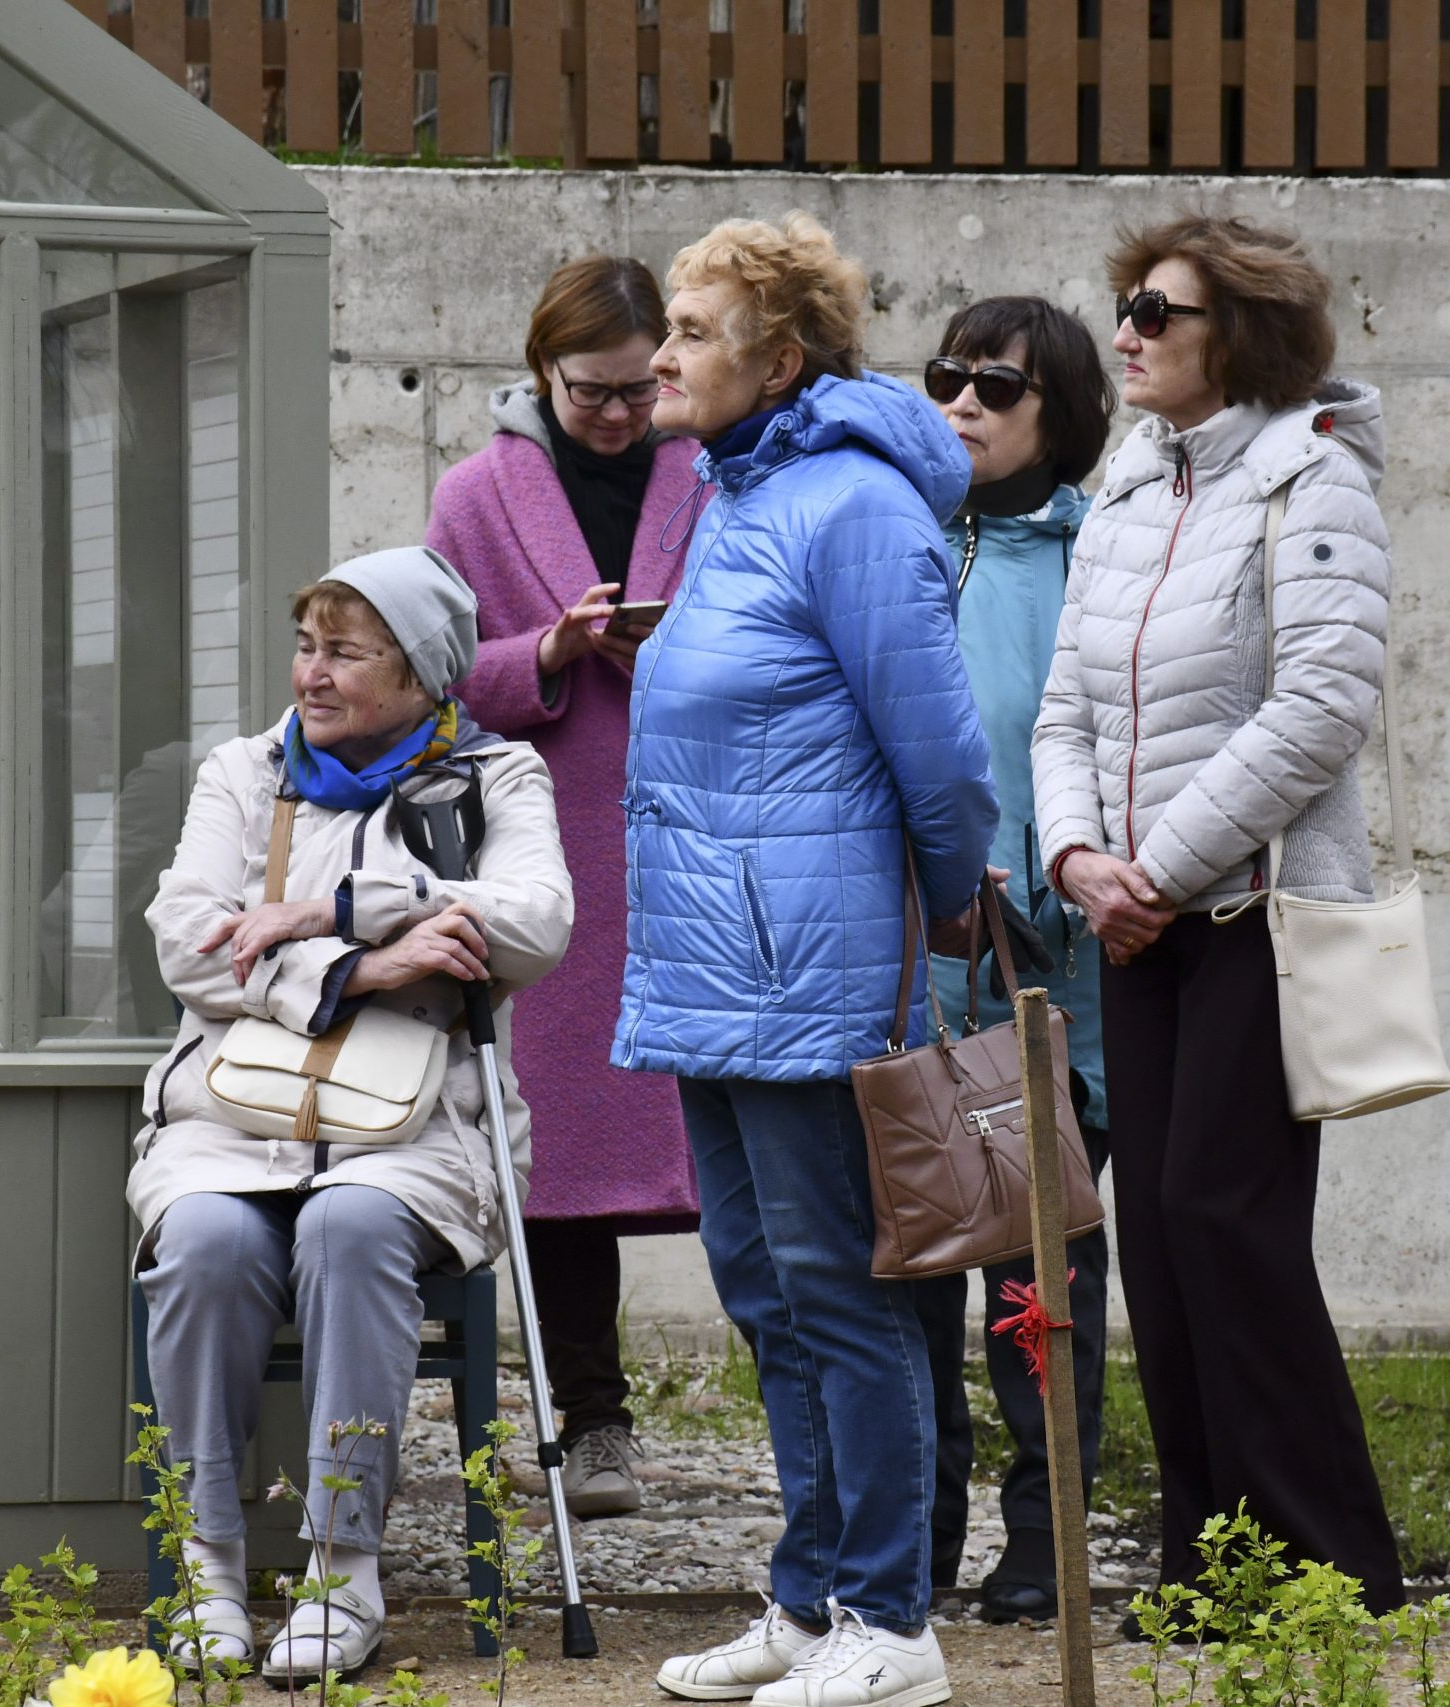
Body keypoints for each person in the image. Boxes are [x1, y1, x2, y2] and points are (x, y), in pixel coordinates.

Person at [621, 212, 997, 1707]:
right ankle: (810, 1598)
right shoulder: (736, 491)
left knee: (840, 1293)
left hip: (807, 970)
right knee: (765, 1292)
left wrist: (947, 900)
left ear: (779, 360)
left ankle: (891, 1622)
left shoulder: (851, 506)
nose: (660, 356)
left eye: (692, 331)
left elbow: (943, 755)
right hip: (711, 967)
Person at [1029, 216, 1407, 1623]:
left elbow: (1322, 706)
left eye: (1158, 311)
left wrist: (1155, 871)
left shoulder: (1313, 479)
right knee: (1164, 1234)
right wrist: (1077, 857)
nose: (1124, 331)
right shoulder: (1130, 483)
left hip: (1251, 911)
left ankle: (1329, 1569)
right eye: (1124, 304)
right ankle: (1214, 1564)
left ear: (1235, 336)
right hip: (1139, 922)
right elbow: (1064, 709)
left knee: (1223, 1220)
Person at [130, 547, 574, 1681]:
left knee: (350, 1222)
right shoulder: (243, 772)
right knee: (205, 1240)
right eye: (305, 647)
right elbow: (187, 940)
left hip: (424, 1129)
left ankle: (343, 1568)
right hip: (231, 1118)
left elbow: (533, 922)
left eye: (345, 652)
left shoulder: (497, 775)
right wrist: (363, 970)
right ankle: (209, 1560)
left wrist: (328, 909)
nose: (311, 674)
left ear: (420, 674)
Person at [429, 254, 703, 1519]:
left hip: (705, 834)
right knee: (566, 1149)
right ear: (541, 370)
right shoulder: (475, 494)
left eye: (640, 390)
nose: (617, 415)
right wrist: (546, 649)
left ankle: (810, 1424)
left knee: (746, 1128)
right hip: (557, 840)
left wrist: (679, 645)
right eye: (590, 391)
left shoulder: (718, 470)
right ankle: (592, 1421)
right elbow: (432, 673)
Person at [904, 295, 1120, 1625]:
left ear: (1067, 412)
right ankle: (917, 1529)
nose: (962, 404)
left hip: (1055, 974)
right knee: (910, 1268)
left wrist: (1066, 875)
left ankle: (1045, 1532)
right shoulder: (897, 538)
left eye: (996, 386)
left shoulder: (1104, 553)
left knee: (1042, 1272)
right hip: (904, 972)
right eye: (947, 377)